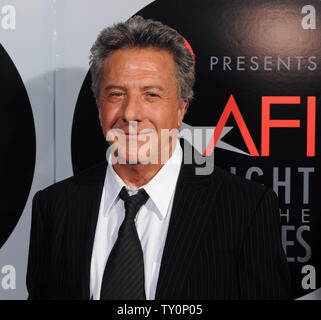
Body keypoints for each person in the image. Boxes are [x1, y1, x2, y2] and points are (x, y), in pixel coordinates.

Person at [26, 16, 291, 300]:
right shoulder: (54, 206)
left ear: (181, 109)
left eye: (151, 95)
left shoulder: (245, 209)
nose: (130, 114)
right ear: (99, 106)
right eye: (116, 94)